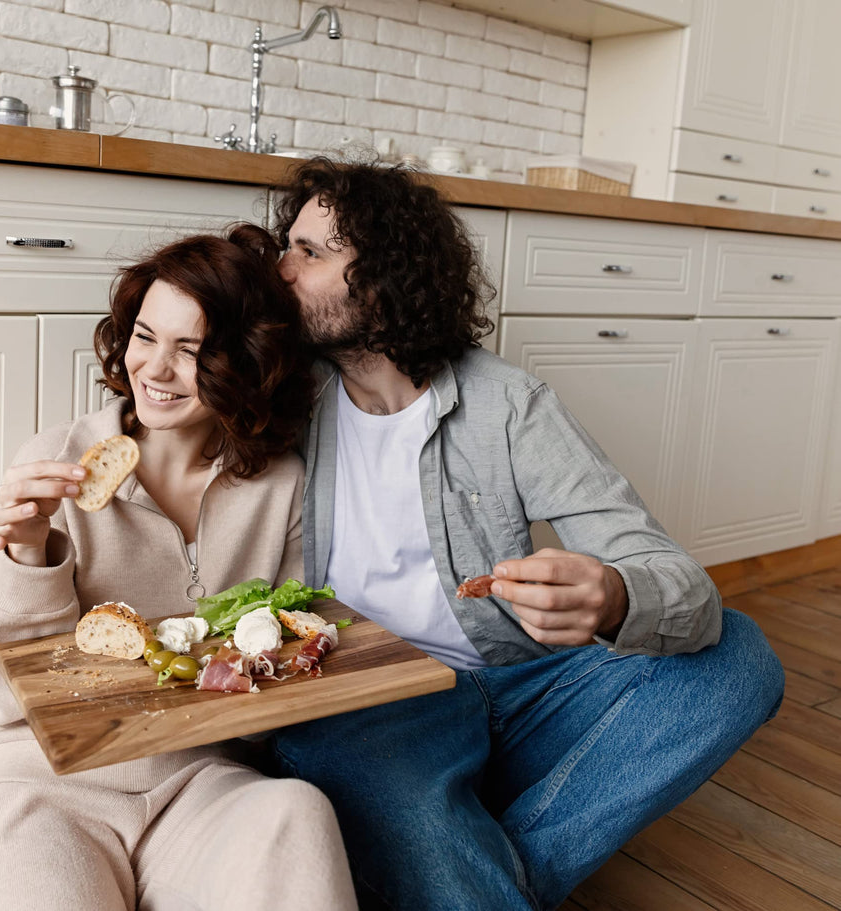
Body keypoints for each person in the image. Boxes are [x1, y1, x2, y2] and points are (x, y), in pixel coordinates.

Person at [265, 157, 786, 911]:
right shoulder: (283, 397)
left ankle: (476, 861)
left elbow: (681, 586)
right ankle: (454, 848)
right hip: (373, 696)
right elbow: (158, 400)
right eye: (289, 245)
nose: (281, 269)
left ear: (381, 278)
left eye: (311, 253)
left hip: (518, 683)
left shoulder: (507, 405)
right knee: (350, 765)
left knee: (740, 659)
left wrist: (611, 595)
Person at [0, 223, 357, 911]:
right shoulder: (57, 465)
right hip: (47, 785)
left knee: (298, 813)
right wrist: (27, 554)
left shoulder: (281, 484)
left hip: (203, 782)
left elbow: (269, 695)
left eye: (191, 350)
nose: (156, 370)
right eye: (144, 335)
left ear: (248, 362)